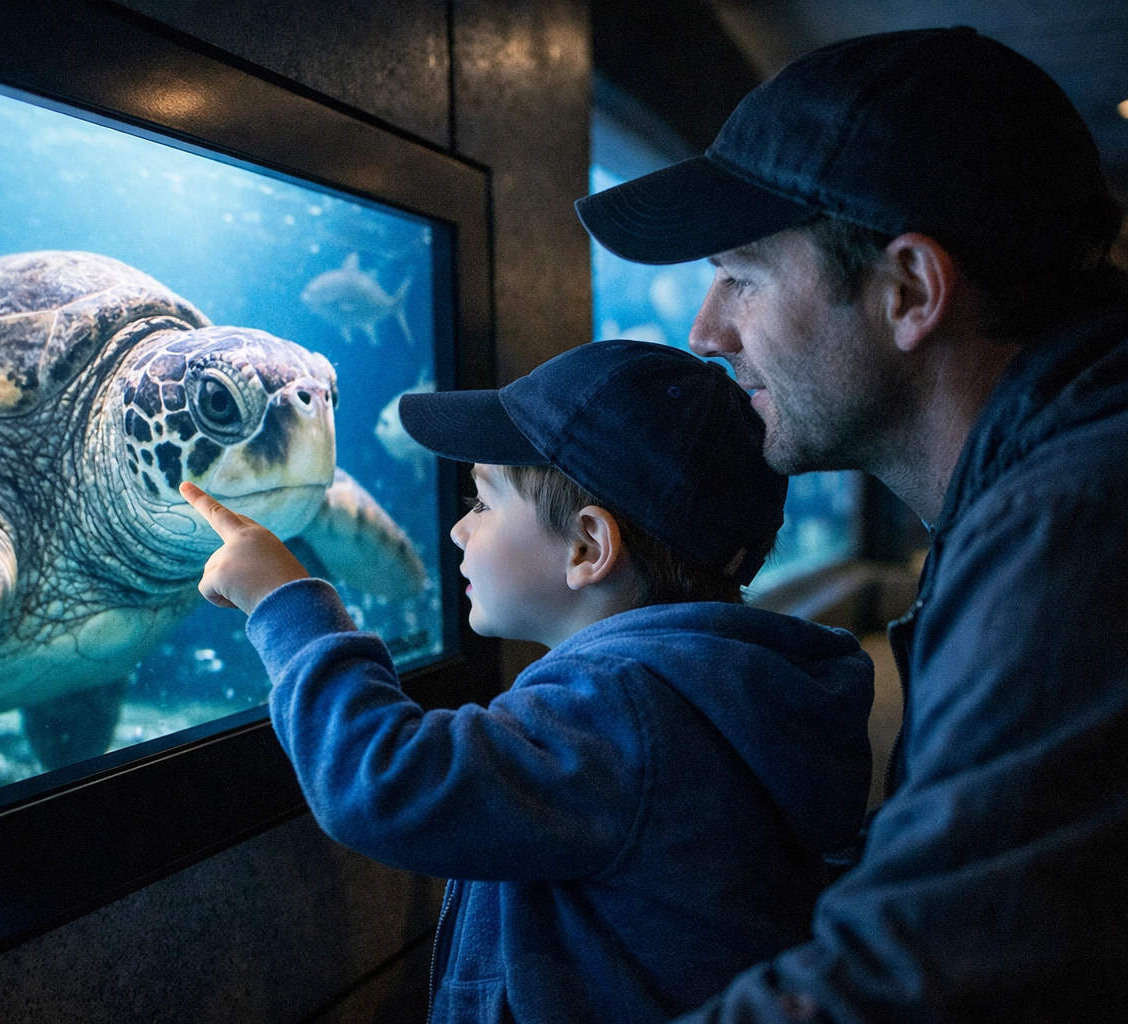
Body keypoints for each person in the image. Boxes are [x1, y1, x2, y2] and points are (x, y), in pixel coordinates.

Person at [576, 26, 1128, 1024]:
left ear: (910, 291)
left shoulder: (1092, 523)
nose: (705, 332)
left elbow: (910, 987)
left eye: (743, 278)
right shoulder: (1055, 479)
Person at [179, 340, 876, 1024]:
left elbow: (384, 781)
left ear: (587, 547)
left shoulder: (622, 713)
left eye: (482, 502)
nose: (455, 530)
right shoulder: (726, 688)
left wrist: (284, 599)